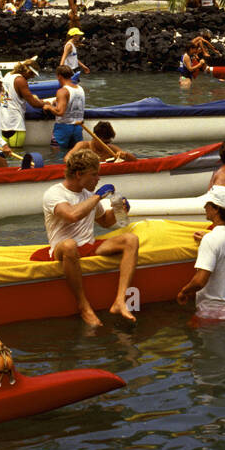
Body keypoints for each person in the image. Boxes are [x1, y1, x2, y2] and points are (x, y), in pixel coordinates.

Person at [43, 147, 140, 326]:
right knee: (70, 245)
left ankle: (120, 300)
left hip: (89, 245)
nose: (98, 179)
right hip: (61, 249)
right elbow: (72, 215)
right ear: (79, 174)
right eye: (94, 175)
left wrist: (120, 210)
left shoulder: (88, 195)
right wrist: (97, 196)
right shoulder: (54, 193)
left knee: (131, 239)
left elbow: (104, 221)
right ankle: (84, 306)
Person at [176, 185, 225, 321]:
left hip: (213, 316)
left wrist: (183, 291)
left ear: (216, 209)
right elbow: (224, 247)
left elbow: (200, 281)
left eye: (207, 204)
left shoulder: (211, 239)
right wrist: (207, 238)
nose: (204, 207)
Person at [0, 60, 49, 150]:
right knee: (17, 156)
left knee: (6, 158)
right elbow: (33, 103)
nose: (32, 77)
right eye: (32, 75)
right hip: (16, 125)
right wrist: (46, 104)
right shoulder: (20, 80)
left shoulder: (7, 76)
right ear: (28, 71)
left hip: (3, 124)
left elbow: (13, 95)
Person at [49, 64, 86, 150]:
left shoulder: (62, 91)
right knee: (75, 155)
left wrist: (48, 107)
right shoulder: (80, 89)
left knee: (57, 155)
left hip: (63, 128)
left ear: (59, 76)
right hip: (78, 127)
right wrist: (56, 102)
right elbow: (72, 102)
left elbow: (60, 112)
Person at [73, 121, 138, 162]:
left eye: (108, 142)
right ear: (95, 137)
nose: (106, 145)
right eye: (104, 142)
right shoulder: (82, 146)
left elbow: (135, 160)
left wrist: (126, 155)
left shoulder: (111, 148)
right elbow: (67, 159)